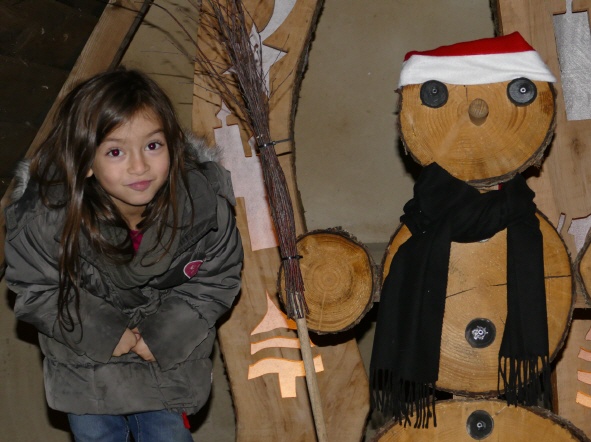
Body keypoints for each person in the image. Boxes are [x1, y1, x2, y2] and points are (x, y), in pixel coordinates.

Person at [3, 68, 243, 441]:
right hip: (86, 366)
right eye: (115, 151)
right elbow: (37, 288)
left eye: (153, 146)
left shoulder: (202, 207)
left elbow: (217, 278)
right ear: (85, 159)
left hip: (167, 363)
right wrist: (104, 332)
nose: (139, 166)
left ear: (172, 144)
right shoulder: (46, 218)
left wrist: (163, 335)